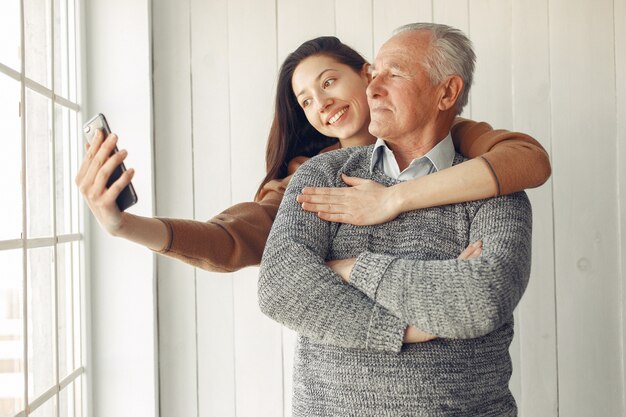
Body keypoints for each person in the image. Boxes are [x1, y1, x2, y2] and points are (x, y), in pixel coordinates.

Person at [76, 35, 548, 274]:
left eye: (328, 82)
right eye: (305, 100)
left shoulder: (454, 136)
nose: (320, 103)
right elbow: (233, 240)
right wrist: (124, 226)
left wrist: (394, 199)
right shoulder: (313, 179)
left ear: (368, 74)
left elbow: (528, 158)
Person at [258, 23, 531, 416]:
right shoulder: (322, 175)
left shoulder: (494, 190)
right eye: (374, 74)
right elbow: (280, 288)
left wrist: (352, 269)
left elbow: (480, 300)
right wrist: (410, 329)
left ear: (447, 92)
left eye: (395, 74)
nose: (372, 88)